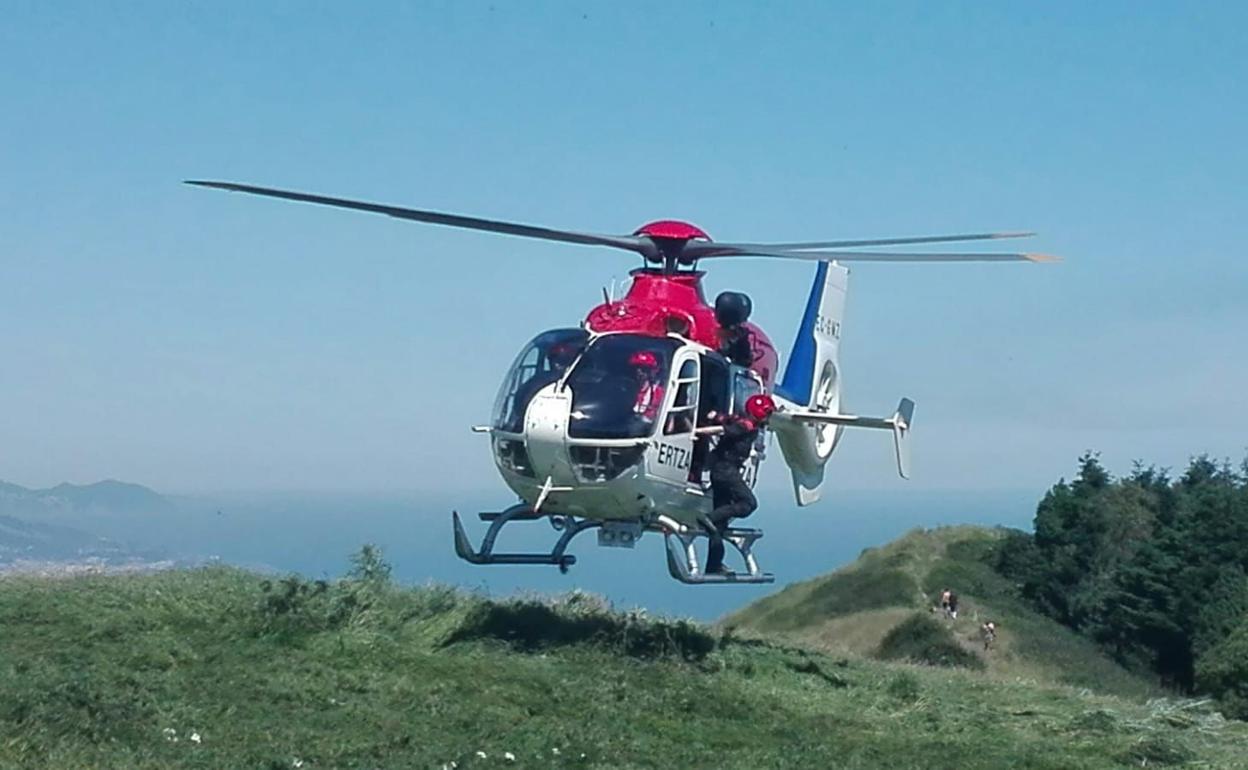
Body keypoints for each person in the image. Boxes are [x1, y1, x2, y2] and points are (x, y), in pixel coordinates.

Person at [700, 394, 776, 575]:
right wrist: (701, 430)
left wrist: (717, 417)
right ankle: (708, 518)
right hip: (726, 471)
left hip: (720, 472)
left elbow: (726, 421)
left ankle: (713, 565)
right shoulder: (745, 426)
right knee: (749, 503)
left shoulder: (744, 423)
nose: (768, 418)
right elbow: (727, 430)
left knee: (719, 526)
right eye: (767, 414)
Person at [629, 350, 665, 423]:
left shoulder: (659, 393)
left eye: (644, 368)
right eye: (636, 368)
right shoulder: (626, 390)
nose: (639, 371)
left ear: (652, 371)